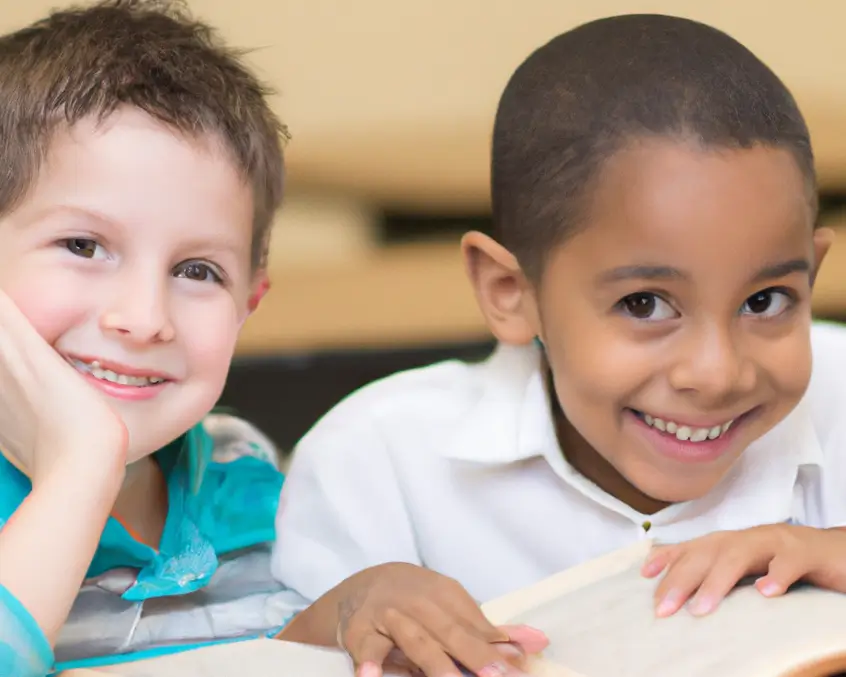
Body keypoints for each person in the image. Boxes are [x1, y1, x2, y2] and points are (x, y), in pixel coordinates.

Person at [273, 11, 846, 676]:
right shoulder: (377, 462)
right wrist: (345, 612)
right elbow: (256, 661)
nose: (716, 372)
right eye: (645, 304)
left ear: (814, 272)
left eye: (765, 300)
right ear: (510, 292)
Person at [2, 3, 548, 677]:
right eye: (83, 245)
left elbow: (250, 657)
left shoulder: (247, 474)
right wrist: (81, 468)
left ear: (247, 304)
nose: (143, 317)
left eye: (197, 270)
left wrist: (349, 609)